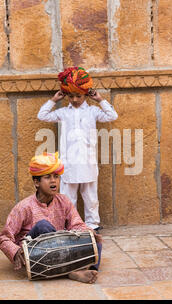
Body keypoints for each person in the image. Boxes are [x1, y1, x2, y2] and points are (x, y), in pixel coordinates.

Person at [0, 152, 102, 284]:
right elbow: (4, 239)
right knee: (43, 225)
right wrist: (16, 251)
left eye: (56, 177)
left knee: (95, 239)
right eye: (47, 177)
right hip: (34, 254)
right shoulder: (23, 207)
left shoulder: (63, 201)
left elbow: (76, 225)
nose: (53, 181)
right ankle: (72, 271)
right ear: (36, 182)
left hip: (60, 248)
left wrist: (89, 232)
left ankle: (86, 269)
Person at [37, 67, 118, 232]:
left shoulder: (93, 111)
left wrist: (100, 100)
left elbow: (112, 116)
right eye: (71, 96)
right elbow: (42, 115)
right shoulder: (62, 113)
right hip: (69, 163)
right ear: (66, 95)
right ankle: (69, 224)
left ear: (85, 95)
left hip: (88, 162)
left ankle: (92, 224)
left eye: (78, 95)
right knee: (68, 198)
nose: (74, 99)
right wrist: (53, 100)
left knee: (90, 197)